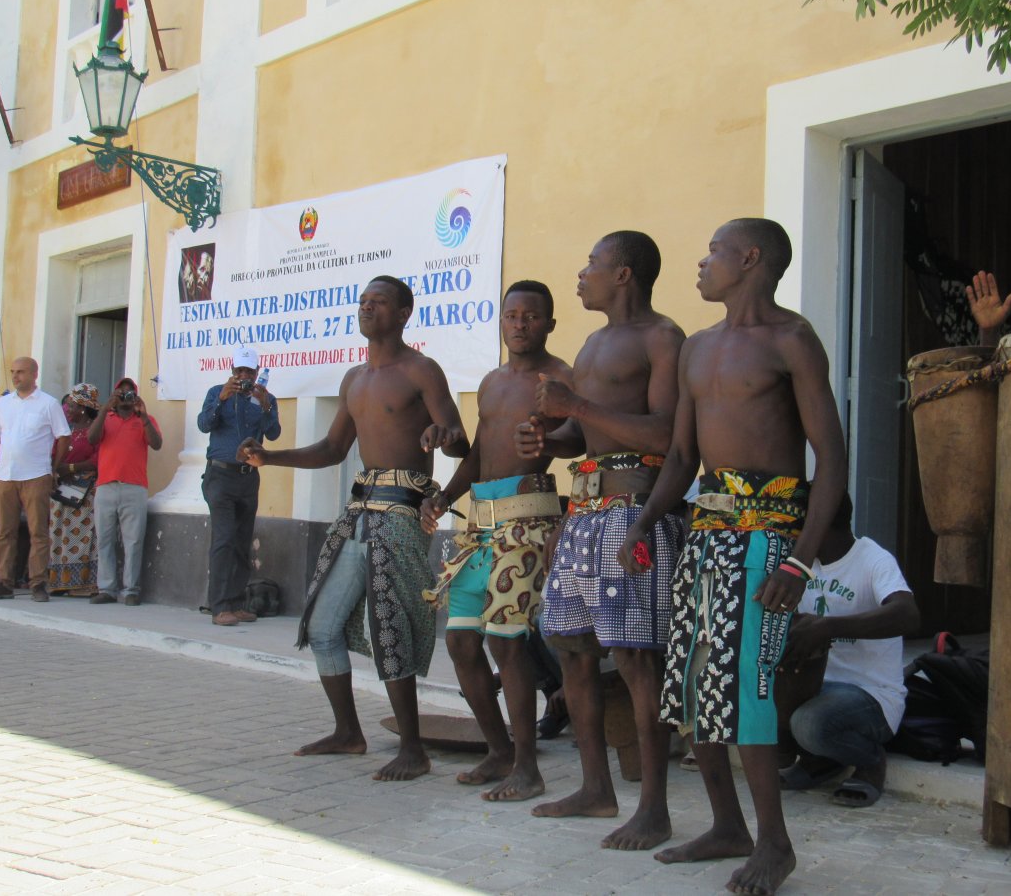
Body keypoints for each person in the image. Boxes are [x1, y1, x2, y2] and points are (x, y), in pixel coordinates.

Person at [618, 218, 847, 895]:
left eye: (714, 251)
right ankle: (727, 827)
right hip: (703, 536)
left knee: (748, 689)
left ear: (750, 260)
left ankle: (775, 845)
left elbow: (830, 459)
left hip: (768, 540)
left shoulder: (792, 341)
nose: (701, 262)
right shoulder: (697, 349)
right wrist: (648, 520)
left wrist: (799, 560)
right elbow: (684, 457)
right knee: (691, 685)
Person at [238, 275, 468, 782]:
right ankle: (348, 732)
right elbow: (332, 450)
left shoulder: (421, 370)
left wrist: (441, 434)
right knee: (320, 626)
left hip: (404, 516)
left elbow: (459, 441)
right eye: (362, 301)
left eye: (379, 302)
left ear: (405, 313)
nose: (367, 309)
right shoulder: (353, 378)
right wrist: (270, 457)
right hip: (358, 513)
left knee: (391, 625)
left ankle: (413, 749)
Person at [516, 230, 686, 850]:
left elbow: (667, 436)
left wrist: (577, 408)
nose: (581, 273)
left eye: (592, 263)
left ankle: (655, 808)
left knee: (639, 658)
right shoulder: (591, 343)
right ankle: (595, 788)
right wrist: (550, 439)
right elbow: (584, 435)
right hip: (584, 512)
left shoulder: (662, 338)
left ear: (624, 274)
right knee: (568, 641)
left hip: (633, 513)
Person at [421, 280, 572, 802]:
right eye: (511, 315)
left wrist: (552, 438)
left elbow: (582, 438)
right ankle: (499, 751)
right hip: (478, 521)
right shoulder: (490, 382)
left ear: (550, 324)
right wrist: (445, 493)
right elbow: (480, 451)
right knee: (462, 641)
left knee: (507, 641)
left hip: (528, 516)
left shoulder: (562, 379)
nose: (520, 324)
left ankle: (528, 768)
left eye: (532, 316)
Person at [777, 493, 919, 808]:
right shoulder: (802, 565)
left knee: (809, 723)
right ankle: (822, 762)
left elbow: (907, 615)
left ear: (818, 524)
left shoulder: (873, 559)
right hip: (816, 689)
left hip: (872, 696)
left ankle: (871, 760)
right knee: (763, 705)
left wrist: (828, 627)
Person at [196, 345, 281, 626]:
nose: (244, 376)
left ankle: (236, 602)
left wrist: (266, 406)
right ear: (232, 372)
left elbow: (274, 433)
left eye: (249, 371)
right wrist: (221, 398)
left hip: (248, 477)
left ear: (257, 373)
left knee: (243, 541)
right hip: (220, 477)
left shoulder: (265, 398)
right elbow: (204, 425)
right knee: (224, 539)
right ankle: (219, 606)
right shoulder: (216, 392)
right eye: (239, 371)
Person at [0, 357, 71, 602]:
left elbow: (63, 436)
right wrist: (5, 454)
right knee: (6, 531)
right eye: (13, 372)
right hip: (5, 475)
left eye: (20, 372)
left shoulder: (48, 404)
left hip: (36, 475)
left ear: (34, 374)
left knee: (38, 532)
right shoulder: (3, 403)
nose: (15, 376)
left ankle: (38, 583)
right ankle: (4, 582)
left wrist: (53, 467)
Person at [88, 377, 162, 606]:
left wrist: (143, 416)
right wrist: (104, 410)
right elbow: (92, 439)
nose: (126, 397)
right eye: (122, 393)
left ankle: (131, 589)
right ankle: (107, 588)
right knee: (105, 540)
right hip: (106, 486)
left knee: (133, 541)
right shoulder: (106, 418)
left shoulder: (145, 420)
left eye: (130, 393)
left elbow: (157, 444)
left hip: (135, 487)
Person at [47, 384, 101, 597]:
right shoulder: (64, 430)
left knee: (83, 537)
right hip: (60, 489)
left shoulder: (94, 431)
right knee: (58, 534)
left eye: (71, 405)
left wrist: (70, 468)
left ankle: (83, 584)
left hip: (84, 491)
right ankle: (60, 581)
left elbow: (97, 459)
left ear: (83, 407)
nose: (66, 409)